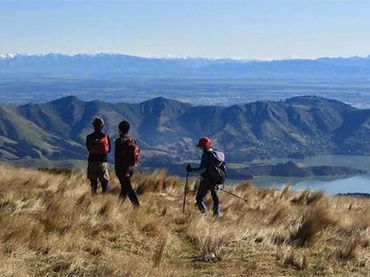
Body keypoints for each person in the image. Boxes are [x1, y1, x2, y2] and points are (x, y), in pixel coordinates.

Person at [186, 137, 226, 216]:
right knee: (216, 199)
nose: (200, 148)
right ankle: (216, 215)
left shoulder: (206, 154)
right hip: (217, 179)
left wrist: (191, 170)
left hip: (206, 180)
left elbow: (202, 170)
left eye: (201, 146)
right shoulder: (217, 155)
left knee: (199, 198)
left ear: (204, 146)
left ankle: (204, 211)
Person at [115, 120, 141, 207]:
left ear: (119, 129)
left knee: (128, 188)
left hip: (122, 169)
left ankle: (137, 206)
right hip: (131, 168)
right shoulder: (132, 140)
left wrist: (117, 169)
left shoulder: (119, 141)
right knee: (124, 188)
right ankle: (117, 206)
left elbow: (117, 156)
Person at [86, 117, 111, 194]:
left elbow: (89, 148)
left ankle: (93, 198)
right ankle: (105, 199)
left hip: (92, 161)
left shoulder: (89, 137)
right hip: (103, 162)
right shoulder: (106, 137)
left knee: (93, 182)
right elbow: (109, 150)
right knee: (105, 182)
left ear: (93, 126)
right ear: (102, 126)